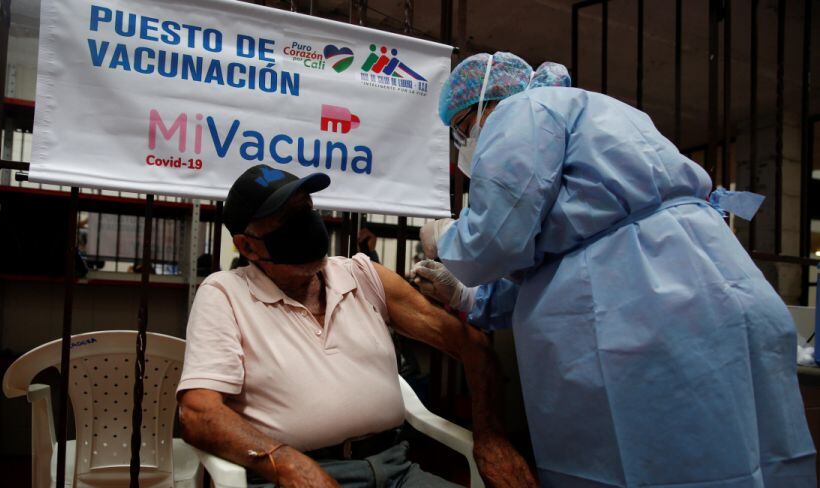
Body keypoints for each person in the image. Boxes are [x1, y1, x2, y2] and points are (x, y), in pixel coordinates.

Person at [413, 52, 816, 487]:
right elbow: (556, 259)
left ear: (484, 105)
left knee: (660, 465)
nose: (465, 145)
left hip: (650, 314)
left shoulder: (522, 110)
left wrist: (446, 239)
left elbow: (498, 237)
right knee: (756, 457)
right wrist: (465, 295)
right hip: (722, 288)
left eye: (461, 130)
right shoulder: (603, 117)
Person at [176, 165, 536, 488]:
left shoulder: (361, 275)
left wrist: (492, 439)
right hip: (294, 475)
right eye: (287, 219)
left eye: (307, 210)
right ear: (248, 247)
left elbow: (471, 344)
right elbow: (198, 413)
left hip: (397, 469)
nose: (306, 225)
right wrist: (285, 463)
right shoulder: (225, 293)